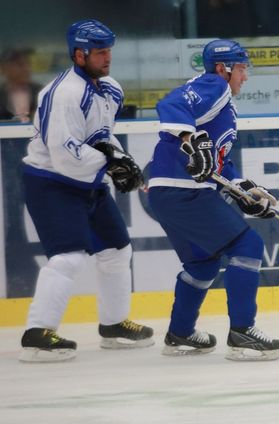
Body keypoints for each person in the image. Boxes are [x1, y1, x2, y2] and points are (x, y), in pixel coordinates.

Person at [19, 19, 153, 362]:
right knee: (68, 257)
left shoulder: (110, 88)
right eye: (99, 52)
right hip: (52, 183)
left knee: (117, 251)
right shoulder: (63, 94)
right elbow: (65, 156)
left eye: (109, 50)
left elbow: (101, 138)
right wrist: (109, 164)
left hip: (88, 183)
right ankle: (37, 334)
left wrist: (122, 159)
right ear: (79, 55)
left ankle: (113, 325)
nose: (107, 58)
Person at [147, 39, 279, 361]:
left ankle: (180, 333)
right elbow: (170, 104)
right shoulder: (213, 85)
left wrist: (243, 189)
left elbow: (215, 160)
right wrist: (190, 139)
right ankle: (242, 333)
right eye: (242, 69)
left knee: (201, 264)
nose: (244, 77)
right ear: (224, 68)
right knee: (247, 247)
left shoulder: (220, 101)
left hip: (168, 193)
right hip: (183, 190)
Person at [0, 47, 42, 122]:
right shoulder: (1, 94)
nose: (26, 68)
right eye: (20, 65)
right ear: (4, 68)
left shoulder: (42, 92)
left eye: (27, 63)